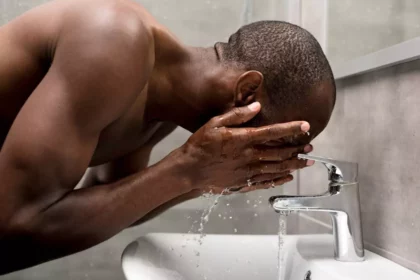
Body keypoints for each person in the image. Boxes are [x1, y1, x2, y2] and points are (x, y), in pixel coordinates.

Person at [0, 0, 335, 274]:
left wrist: (203, 181)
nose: (262, 156)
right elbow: (13, 226)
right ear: (247, 92)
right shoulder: (114, 38)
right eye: (279, 139)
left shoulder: (162, 113)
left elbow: (108, 203)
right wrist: (185, 169)